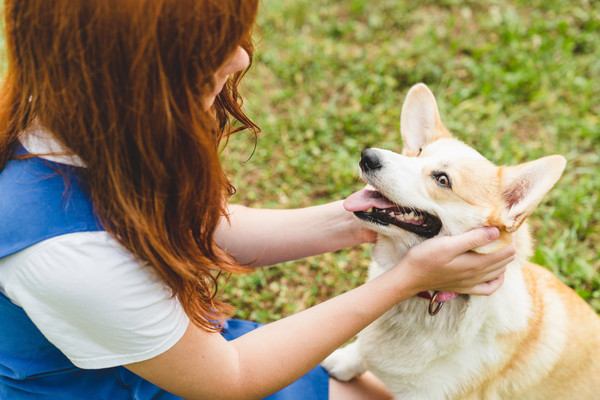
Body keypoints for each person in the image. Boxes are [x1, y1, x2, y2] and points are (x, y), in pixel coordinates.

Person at [0, 1, 514, 399]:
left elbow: (207, 228)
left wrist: (366, 219)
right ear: (128, 85)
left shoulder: (78, 126)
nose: (241, 56)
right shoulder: (66, 256)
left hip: (165, 352)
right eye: (208, 50)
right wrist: (410, 279)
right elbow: (231, 379)